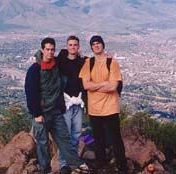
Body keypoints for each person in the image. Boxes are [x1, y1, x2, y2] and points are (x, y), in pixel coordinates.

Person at [25, 37, 88, 174]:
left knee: (64, 138)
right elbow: (30, 92)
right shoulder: (35, 69)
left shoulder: (56, 65)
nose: (50, 52)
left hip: (56, 110)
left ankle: (75, 164)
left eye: (52, 49)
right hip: (41, 113)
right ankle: (45, 170)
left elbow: (69, 58)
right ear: (42, 50)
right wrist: (36, 113)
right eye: (47, 49)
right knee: (42, 143)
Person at [79, 35, 128, 174]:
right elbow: (85, 84)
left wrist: (95, 86)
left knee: (115, 137)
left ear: (103, 45)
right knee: (98, 137)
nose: (96, 45)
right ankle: (101, 161)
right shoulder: (88, 62)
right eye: (93, 44)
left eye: (98, 43)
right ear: (91, 47)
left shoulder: (112, 63)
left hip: (110, 107)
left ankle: (122, 165)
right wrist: (104, 84)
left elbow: (113, 86)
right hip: (94, 108)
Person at [56, 36, 86, 169]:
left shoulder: (82, 61)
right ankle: (63, 163)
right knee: (65, 135)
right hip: (66, 104)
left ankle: (73, 161)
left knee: (76, 134)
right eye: (70, 45)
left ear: (78, 47)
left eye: (75, 45)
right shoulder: (61, 61)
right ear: (67, 46)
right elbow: (45, 58)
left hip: (78, 103)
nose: (73, 47)